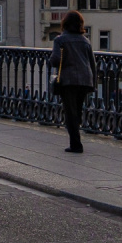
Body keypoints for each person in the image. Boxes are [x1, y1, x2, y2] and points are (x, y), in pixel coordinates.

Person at [50, 10, 95, 154]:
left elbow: (55, 60)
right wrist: (93, 83)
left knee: (70, 112)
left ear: (65, 23)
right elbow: (92, 63)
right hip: (85, 79)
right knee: (78, 110)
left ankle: (76, 144)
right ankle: (76, 140)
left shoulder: (60, 40)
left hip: (69, 80)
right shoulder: (85, 41)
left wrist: (51, 59)